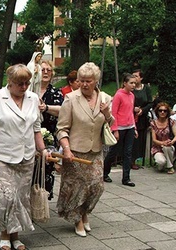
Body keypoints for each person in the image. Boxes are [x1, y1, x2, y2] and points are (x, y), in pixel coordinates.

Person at [0, 64, 46, 250]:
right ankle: (4, 234)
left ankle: (16, 236)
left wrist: (43, 150)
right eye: (20, 83)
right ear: (10, 82)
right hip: (2, 156)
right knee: (6, 197)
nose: (24, 87)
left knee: (20, 197)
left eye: (27, 83)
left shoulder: (33, 98)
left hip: (26, 156)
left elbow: (36, 129)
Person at [57, 62, 113, 237]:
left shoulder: (105, 98)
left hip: (96, 150)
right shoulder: (71, 99)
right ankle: (78, 220)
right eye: (81, 80)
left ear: (96, 81)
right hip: (75, 151)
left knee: (97, 186)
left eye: (88, 81)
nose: (84, 84)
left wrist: (107, 114)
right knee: (77, 188)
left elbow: (110, 123)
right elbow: (62, 128)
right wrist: (66, 149)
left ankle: (83, 212)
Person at [103, 73, 137, 186]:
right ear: (125, 83)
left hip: (130, 126)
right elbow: (114, 113)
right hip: (120, 127)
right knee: (114, 151)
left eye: (134, 83)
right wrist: (115, 129)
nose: (133, 85)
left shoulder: (132, 95)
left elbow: (131, 112)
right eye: (131, 83)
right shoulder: (119, 95)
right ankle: (104, 172)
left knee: (128, 152)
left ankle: (126, 178)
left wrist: (134, 127)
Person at [36, 60, 63, 200]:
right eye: (43, 70)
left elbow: (62, 110)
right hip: (30, 136)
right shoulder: (29, 90)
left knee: (47, 169)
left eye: (49, 70)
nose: (45, 72)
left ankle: (42, 201)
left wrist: (46, 108)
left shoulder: (56, 92)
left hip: (49, 136)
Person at [150, 102, 176, 174]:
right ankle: (165, 164)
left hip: (169, 146)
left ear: (167, 112)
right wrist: (162, 143)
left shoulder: (171, 122)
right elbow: (154, 139)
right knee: (161, 163)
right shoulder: (153, 123)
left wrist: (172, 141)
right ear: (157, 112)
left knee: (167, 147)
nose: (162, 112)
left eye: (165, 111)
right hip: (157, 148)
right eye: (160, 110)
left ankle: (170, 167)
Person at [132, 69, 152, 169]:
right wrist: (133, 109)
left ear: (141, 78)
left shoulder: (146, 88)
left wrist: (143, 110)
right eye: (133, 76)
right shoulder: (131, 88)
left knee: (141, 138)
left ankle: (140, 158)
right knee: (133, 138)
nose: (134, 78)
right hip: (132, 116)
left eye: (136, 76)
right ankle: (132, 160)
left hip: (142, 117)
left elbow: (150, 102)